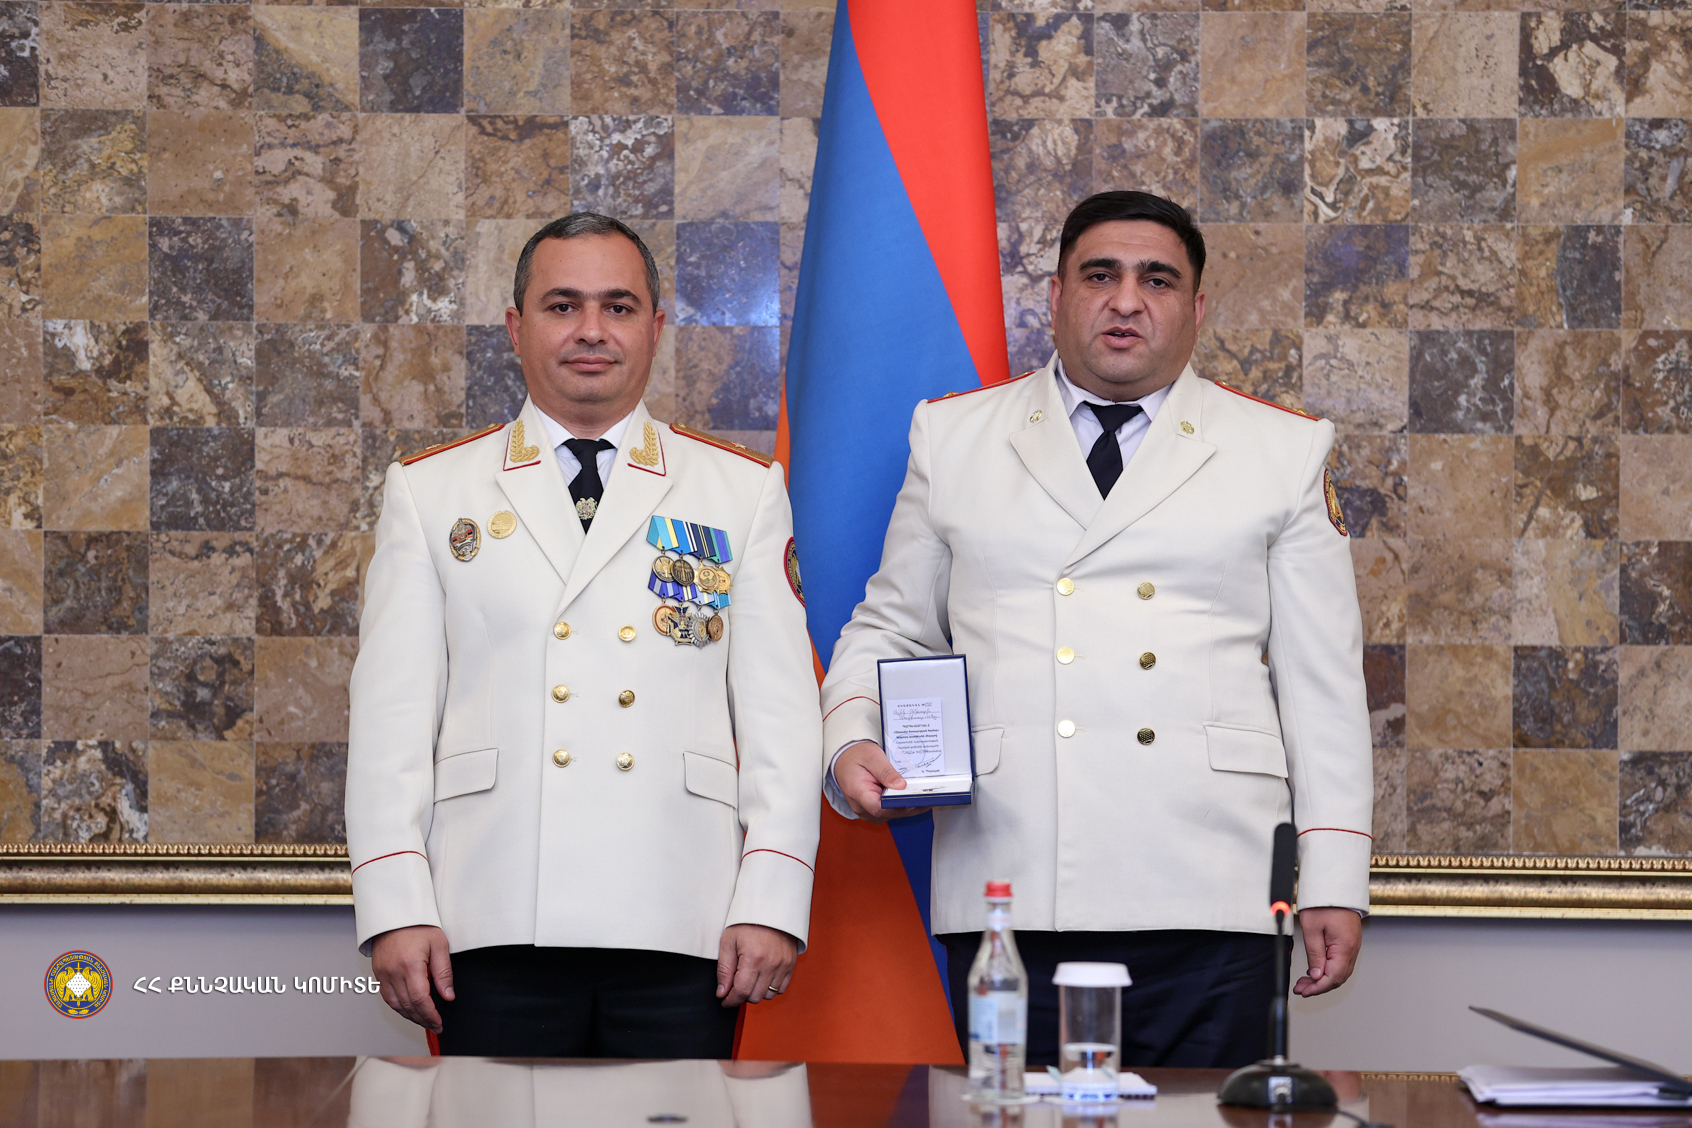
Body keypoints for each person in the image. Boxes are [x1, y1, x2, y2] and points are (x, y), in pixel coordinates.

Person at [819, 191, 1372, 1068]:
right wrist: (852, 737)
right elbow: (892, 627)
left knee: (1203, 1125)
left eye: (1158, 280)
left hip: (1213, 886)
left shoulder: (1282, 450)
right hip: (1013, 879)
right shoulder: (956, 436)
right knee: (1013, 1122)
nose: (1126, 301)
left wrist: (1335, 877)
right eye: (1100, 275)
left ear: (1197, 307)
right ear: (1056, 296)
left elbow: (1324, 686)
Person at [346, 213, 822, 1058]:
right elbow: (391, 721)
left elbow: (782, 721)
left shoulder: (739, 492)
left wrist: (771, 900)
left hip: (685, 914)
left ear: (656, 327)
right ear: (516, 326)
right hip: (489, 912)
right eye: (563, 305)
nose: (592, 330)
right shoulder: (432, 492)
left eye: (618, 306)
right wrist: (396, 906)